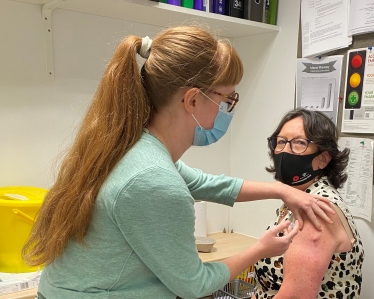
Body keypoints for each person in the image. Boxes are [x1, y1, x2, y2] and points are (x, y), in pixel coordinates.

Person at [23, 26, 334, 299]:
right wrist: (260, 249)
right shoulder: (151, 177)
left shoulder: (135, 146)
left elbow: (205, 184)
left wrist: (282, 191)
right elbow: (194, 284)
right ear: (193, 100)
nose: (229, 110)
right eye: (228, 100)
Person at [253, 108, 365, 299]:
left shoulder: (315, 208)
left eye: (299, 143)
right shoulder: (298, 198)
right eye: (281, 142)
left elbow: (295, 296)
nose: (286, 150)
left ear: (323, 158)